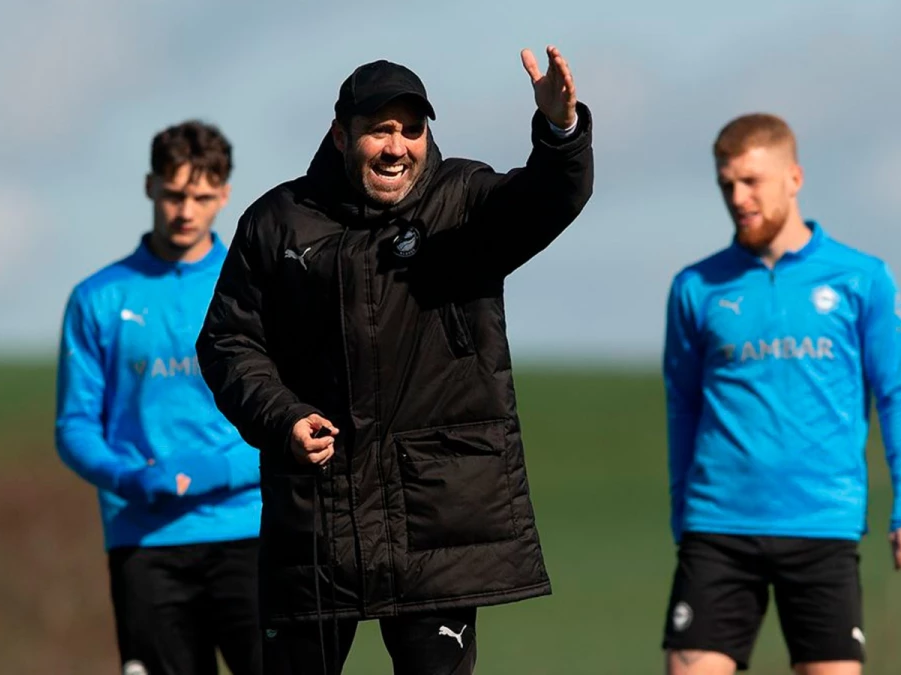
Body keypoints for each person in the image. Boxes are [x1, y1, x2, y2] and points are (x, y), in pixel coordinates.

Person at [194, 46, 593, 675]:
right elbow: (228, 343)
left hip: (436, 527)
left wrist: (559, 131)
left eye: (411, 130)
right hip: (316, 528)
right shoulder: (278, 223)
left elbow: (550, 197)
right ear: (339, 135)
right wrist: (283, 417)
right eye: (380, 130)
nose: (397, 146)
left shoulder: (464, 201)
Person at [659, 112, 901, 675]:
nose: (738, 197)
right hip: (719, 527)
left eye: (751, 181)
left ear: (794, 177)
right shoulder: (695, 286)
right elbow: (682, 403)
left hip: (822, 524)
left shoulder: (862, 279)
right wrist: (682, 509)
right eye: (726, 184)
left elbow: (898, 395)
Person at [54, 120, 263, 675]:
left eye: (200, 196)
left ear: (224, 194)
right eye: (173, 194)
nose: (185, 210)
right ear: (150, 187)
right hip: (144, 541)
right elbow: (74, 426)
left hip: (251, 531)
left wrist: (217, 468)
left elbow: (296, 419)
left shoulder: (254, 286)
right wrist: (129, 477)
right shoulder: (98, 298)